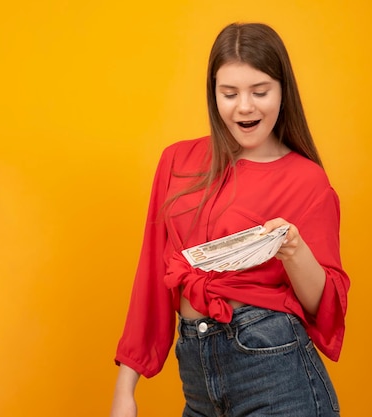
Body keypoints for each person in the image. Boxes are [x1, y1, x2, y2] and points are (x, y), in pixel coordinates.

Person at [110, 22, 350, 417]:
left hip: (277, 374)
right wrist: (125, 388)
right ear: (213, 95)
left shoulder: (307, 179)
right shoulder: (177, 162)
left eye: (260, 92)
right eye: (229, 93)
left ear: (282, 93)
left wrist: (293, 249)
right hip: (199, 382)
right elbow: (152, 274)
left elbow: (323, 305)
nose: (245, 107)